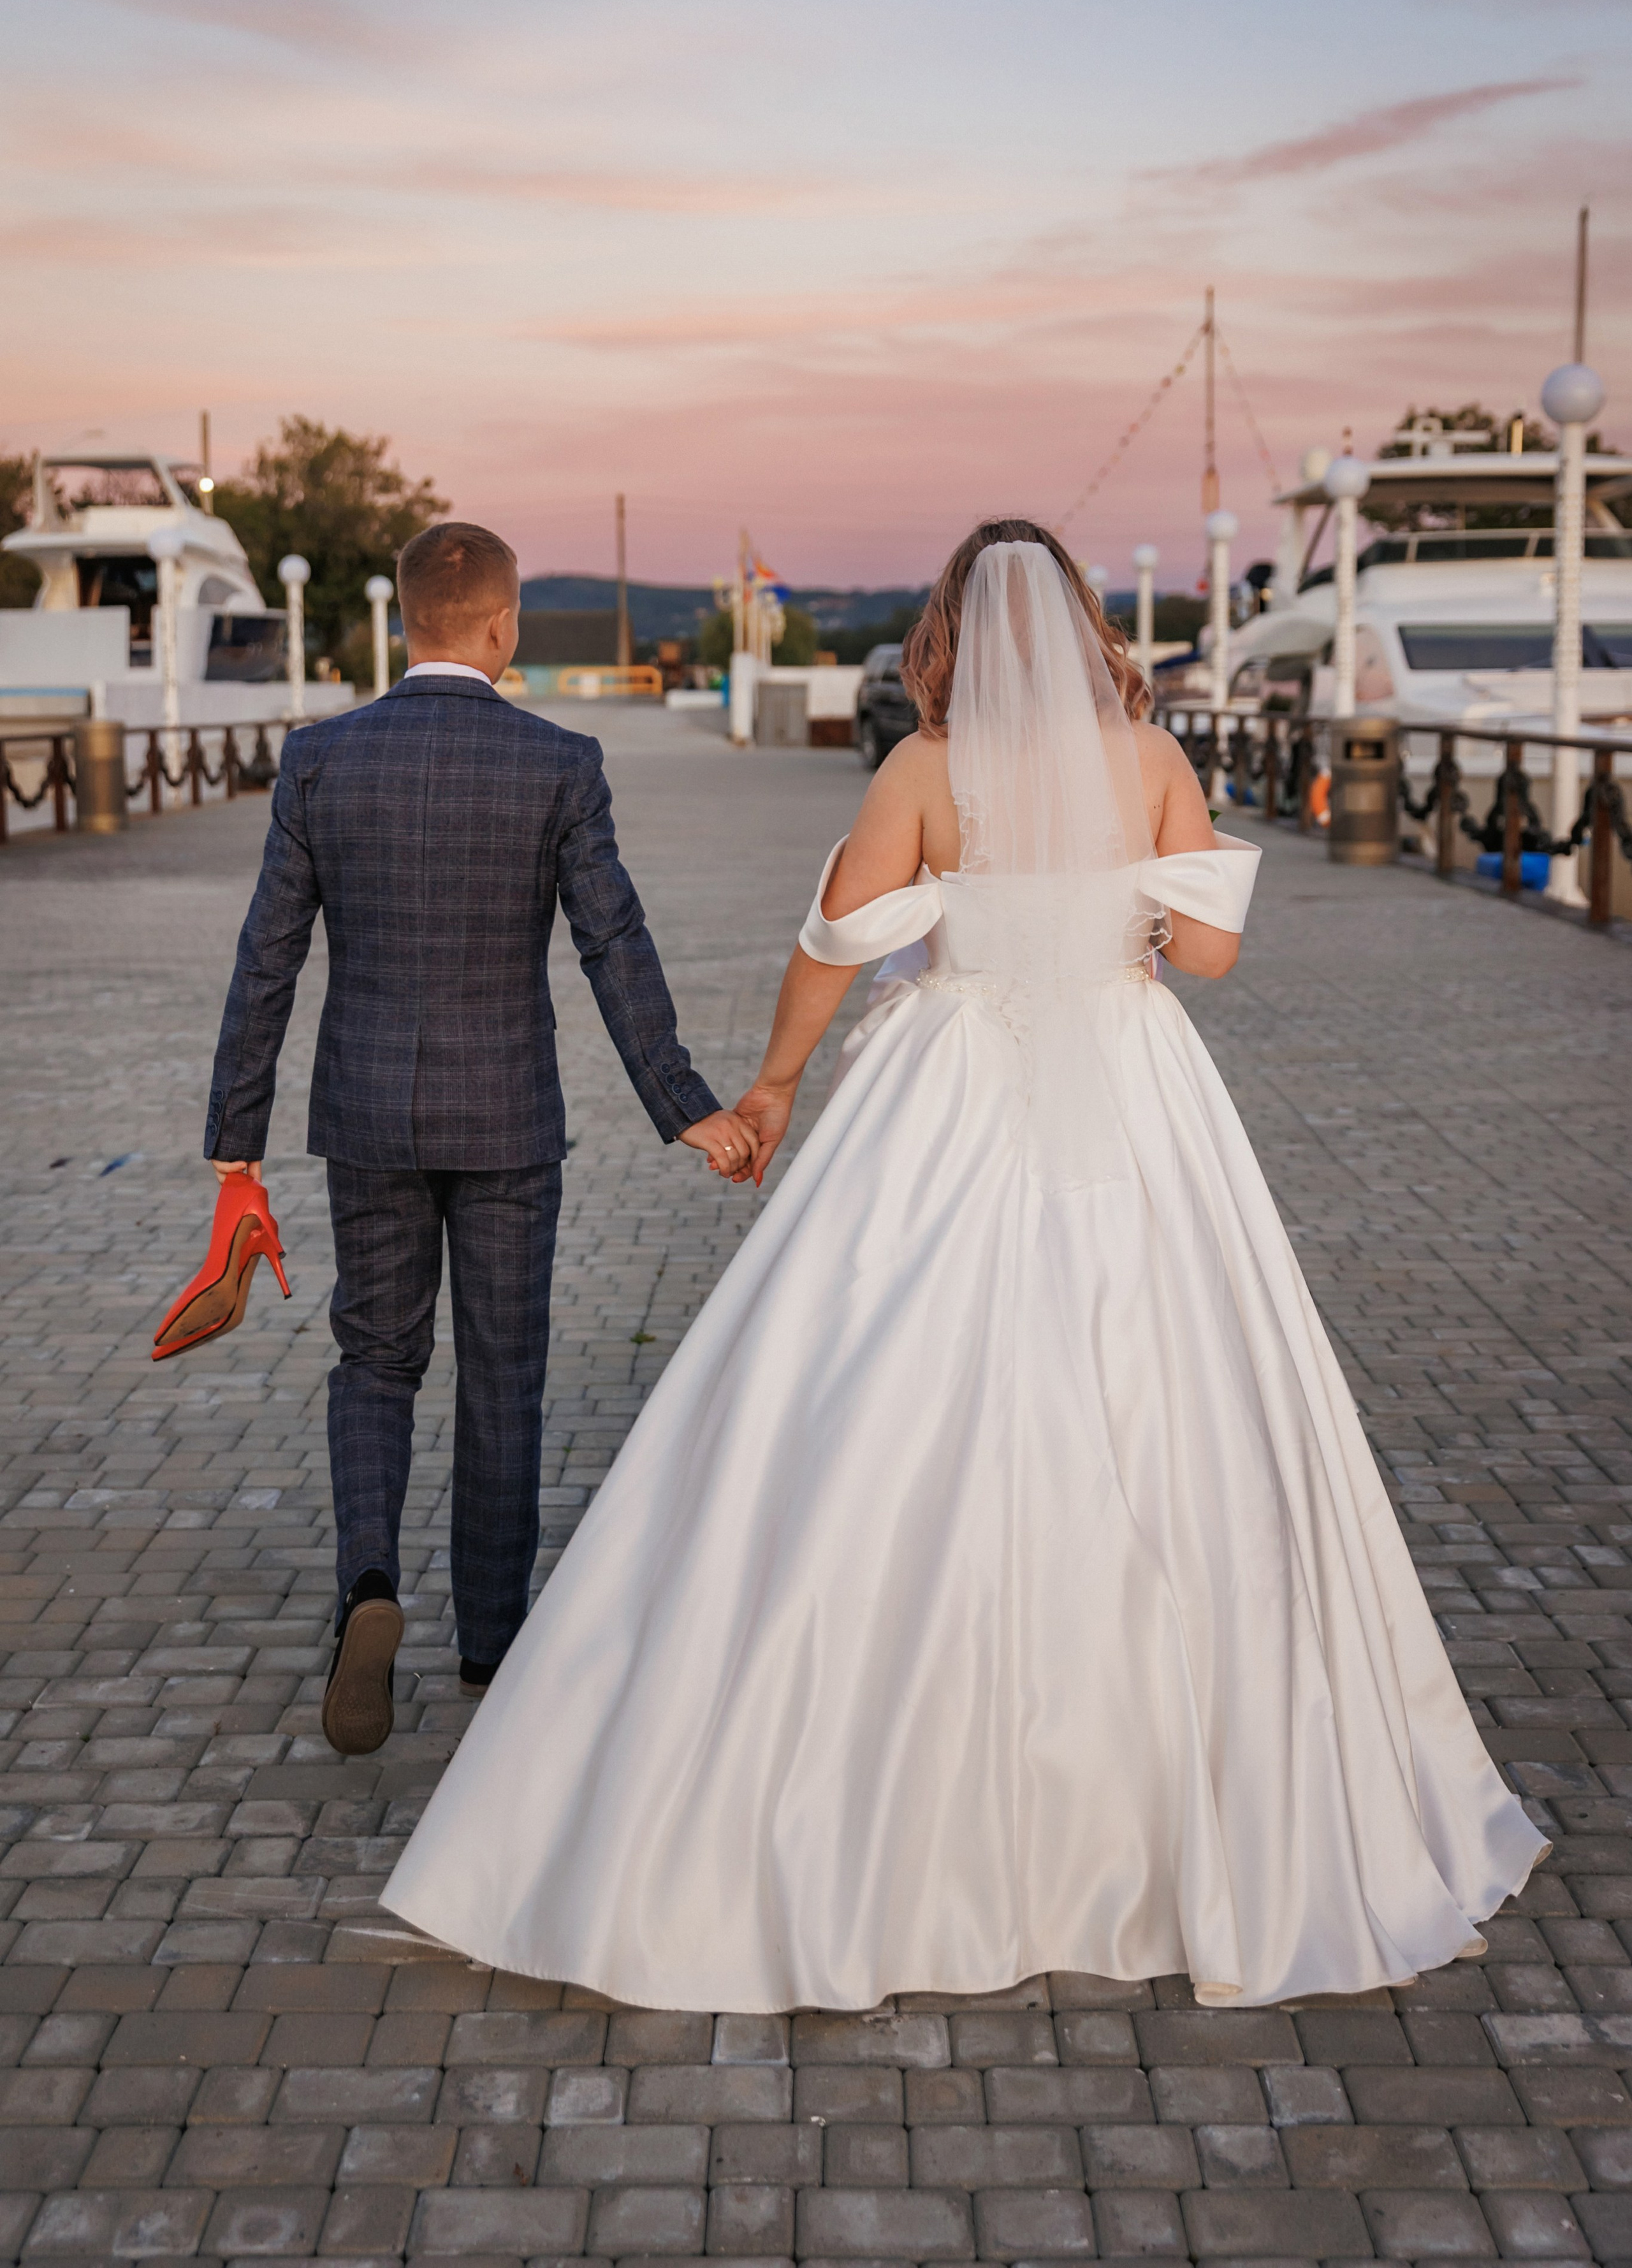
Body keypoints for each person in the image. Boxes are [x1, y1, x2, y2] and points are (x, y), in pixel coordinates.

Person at [383, 520, 1544, 2010]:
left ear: (946, 633)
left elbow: (835, 943)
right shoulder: (1150, 759)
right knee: (1178, 1383)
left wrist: (775, 1089)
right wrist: (1113, 912)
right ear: (1077, 630)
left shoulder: (919, 774)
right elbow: (1205, 961)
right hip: (1132, 1088)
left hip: (946, 1083)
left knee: (872, 1382)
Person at [202, 521, 756, 1758]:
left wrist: (234, 1142)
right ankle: (493, 1643)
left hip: (366, 1116)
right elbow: (614, 943)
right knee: (502, 1376)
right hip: (508, 1119)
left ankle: (366, 1589)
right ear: (505, 627)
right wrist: (686, 1105)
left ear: (406, 623)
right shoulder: (557, 762)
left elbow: (268, 955)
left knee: (375, 1358)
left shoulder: (320, 758)